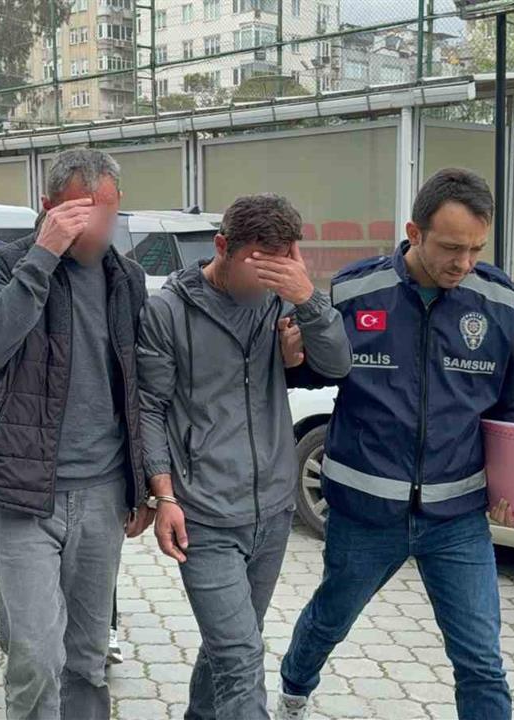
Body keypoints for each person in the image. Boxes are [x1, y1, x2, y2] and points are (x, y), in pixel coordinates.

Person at [277, 168, 514, 720]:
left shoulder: (497, 299)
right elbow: (317, 372)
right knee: (330, 620)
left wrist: (511, 484)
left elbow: (506, 404)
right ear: (414, 233)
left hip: (456, 517)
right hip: (365, 512)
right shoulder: (355, 291)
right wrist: (292, 361)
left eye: (476, 249)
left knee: (481, 661)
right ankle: (294, 687)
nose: (464, 263)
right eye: (451, 248)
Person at [137, 193, 352, 719]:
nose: (267, 282)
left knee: (232, 645)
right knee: (241, 660)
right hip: (205, 516)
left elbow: (338, 364)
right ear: (222, 247)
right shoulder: (168, 311)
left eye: (281, 267)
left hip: (272, 512)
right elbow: (149, 409)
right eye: (259, 266)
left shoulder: (282, 302)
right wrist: (163, 495)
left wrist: (308, 299)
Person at [0, 148, 148, 720]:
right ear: (47, 208)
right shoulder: (5, 265)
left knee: (88, 658)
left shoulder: (127, 278)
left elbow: (140, 387)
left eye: (105, 213)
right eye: (77, 213)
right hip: (24, 492)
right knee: (35, 657)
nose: (93, 228)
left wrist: (146, 485)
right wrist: (42, 257)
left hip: (102, 492)